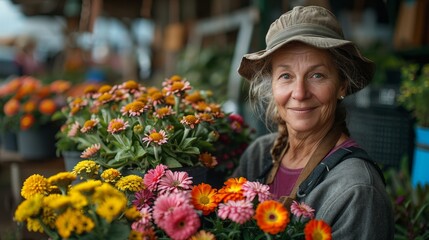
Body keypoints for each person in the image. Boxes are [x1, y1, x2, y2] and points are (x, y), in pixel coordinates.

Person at [233, 5, 394, 239]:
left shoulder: (356, 190)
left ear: (341, 85)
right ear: (272, 86)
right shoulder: (259, 155)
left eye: (317, 75)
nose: (300, 93)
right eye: (286, 76)